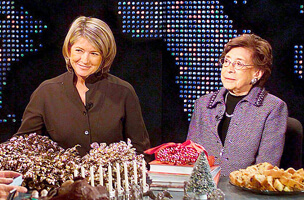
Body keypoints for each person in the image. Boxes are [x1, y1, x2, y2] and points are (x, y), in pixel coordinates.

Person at [15, 16, 150, 157]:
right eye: (79, 50)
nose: (85, 60)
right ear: (69, 50)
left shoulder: (124, 92)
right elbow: (22, 145)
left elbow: (140, 151)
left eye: (94, 53)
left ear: (104, 57)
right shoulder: (46, 92)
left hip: (110, 178)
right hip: (64, 178)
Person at [187, 34, 288, 176]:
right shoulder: (203, 104)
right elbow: (190, 157)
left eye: (239, 64)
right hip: (203, 191)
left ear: (257, 73)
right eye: (226, 61)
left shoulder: (272, 108)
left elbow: (265, 169)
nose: (229, 69)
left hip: (246, 194)